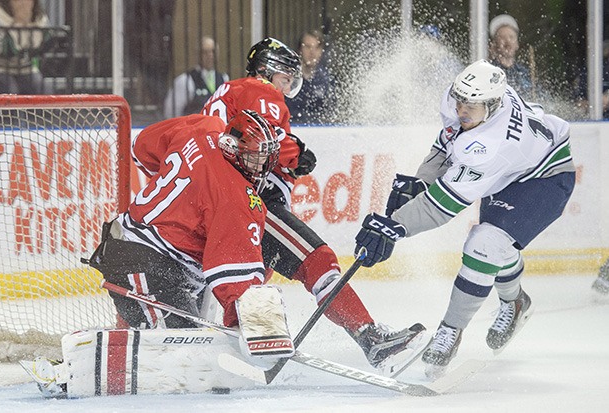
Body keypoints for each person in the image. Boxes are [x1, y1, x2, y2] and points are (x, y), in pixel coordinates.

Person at [203, 37, 426, 372]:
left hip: (217, 198)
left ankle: (237, 350)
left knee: (250, 280)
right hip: (248, 198)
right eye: (286, 77)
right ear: (267, 70)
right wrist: (297, 153)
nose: (289, 84)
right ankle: (371, 340)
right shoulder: (260, 90)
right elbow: (269, 139)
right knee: (317, 259)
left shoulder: (227, 92)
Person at [354, 60, 576, 377]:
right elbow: (448, 139)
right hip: (515, 168)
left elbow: (440, 206)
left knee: (484, 244)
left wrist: (395, 226)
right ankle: (515, 303)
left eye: (470, 104)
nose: (461, 108)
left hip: (546, 177)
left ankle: (451, 330)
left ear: (492, 104)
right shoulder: (469, 99)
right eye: (459, 99)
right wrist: (422, 180)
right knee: (495, 246)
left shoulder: (491, 146)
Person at [85, 110, 291, 347]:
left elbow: (141, 147)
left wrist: (191, 184)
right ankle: (67, 370)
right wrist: (255, 326)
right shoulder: (234, 197)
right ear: (233, 149)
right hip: (143, 261)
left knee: (190, 342)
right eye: (256, 158)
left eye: (266, 156)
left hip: (148, 255)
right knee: (175, 349)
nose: (262, 165)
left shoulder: (205, 126)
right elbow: (234, 277)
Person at [0, 0, 51, 94]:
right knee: (10, 90)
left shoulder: (39, 18)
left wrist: (27, 23)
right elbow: (4, 50)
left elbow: (40, 47)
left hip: (27, 69)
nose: (23, 2)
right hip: (0, 69)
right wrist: (17, 23)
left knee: (41, 86)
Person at [163, 36, 230, 118]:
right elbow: (171, 112)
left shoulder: (224, 78)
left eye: (213, 51)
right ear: (197, 55)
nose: (210, 55)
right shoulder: (185, 80)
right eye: (205, 52)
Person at [285, 29, 336, 125]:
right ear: (300, 49)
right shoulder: (287, 78)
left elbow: (332, 114)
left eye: (316, 47)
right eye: (308, 47)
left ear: (322, 51)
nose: (312, 52)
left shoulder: (328, 80)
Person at [488, 14, 533, 100]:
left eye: (511, 37)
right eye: (502, 38)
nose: (507, 42)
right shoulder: (490, 71)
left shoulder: (525, 72)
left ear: (517, 44)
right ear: (494, 44)